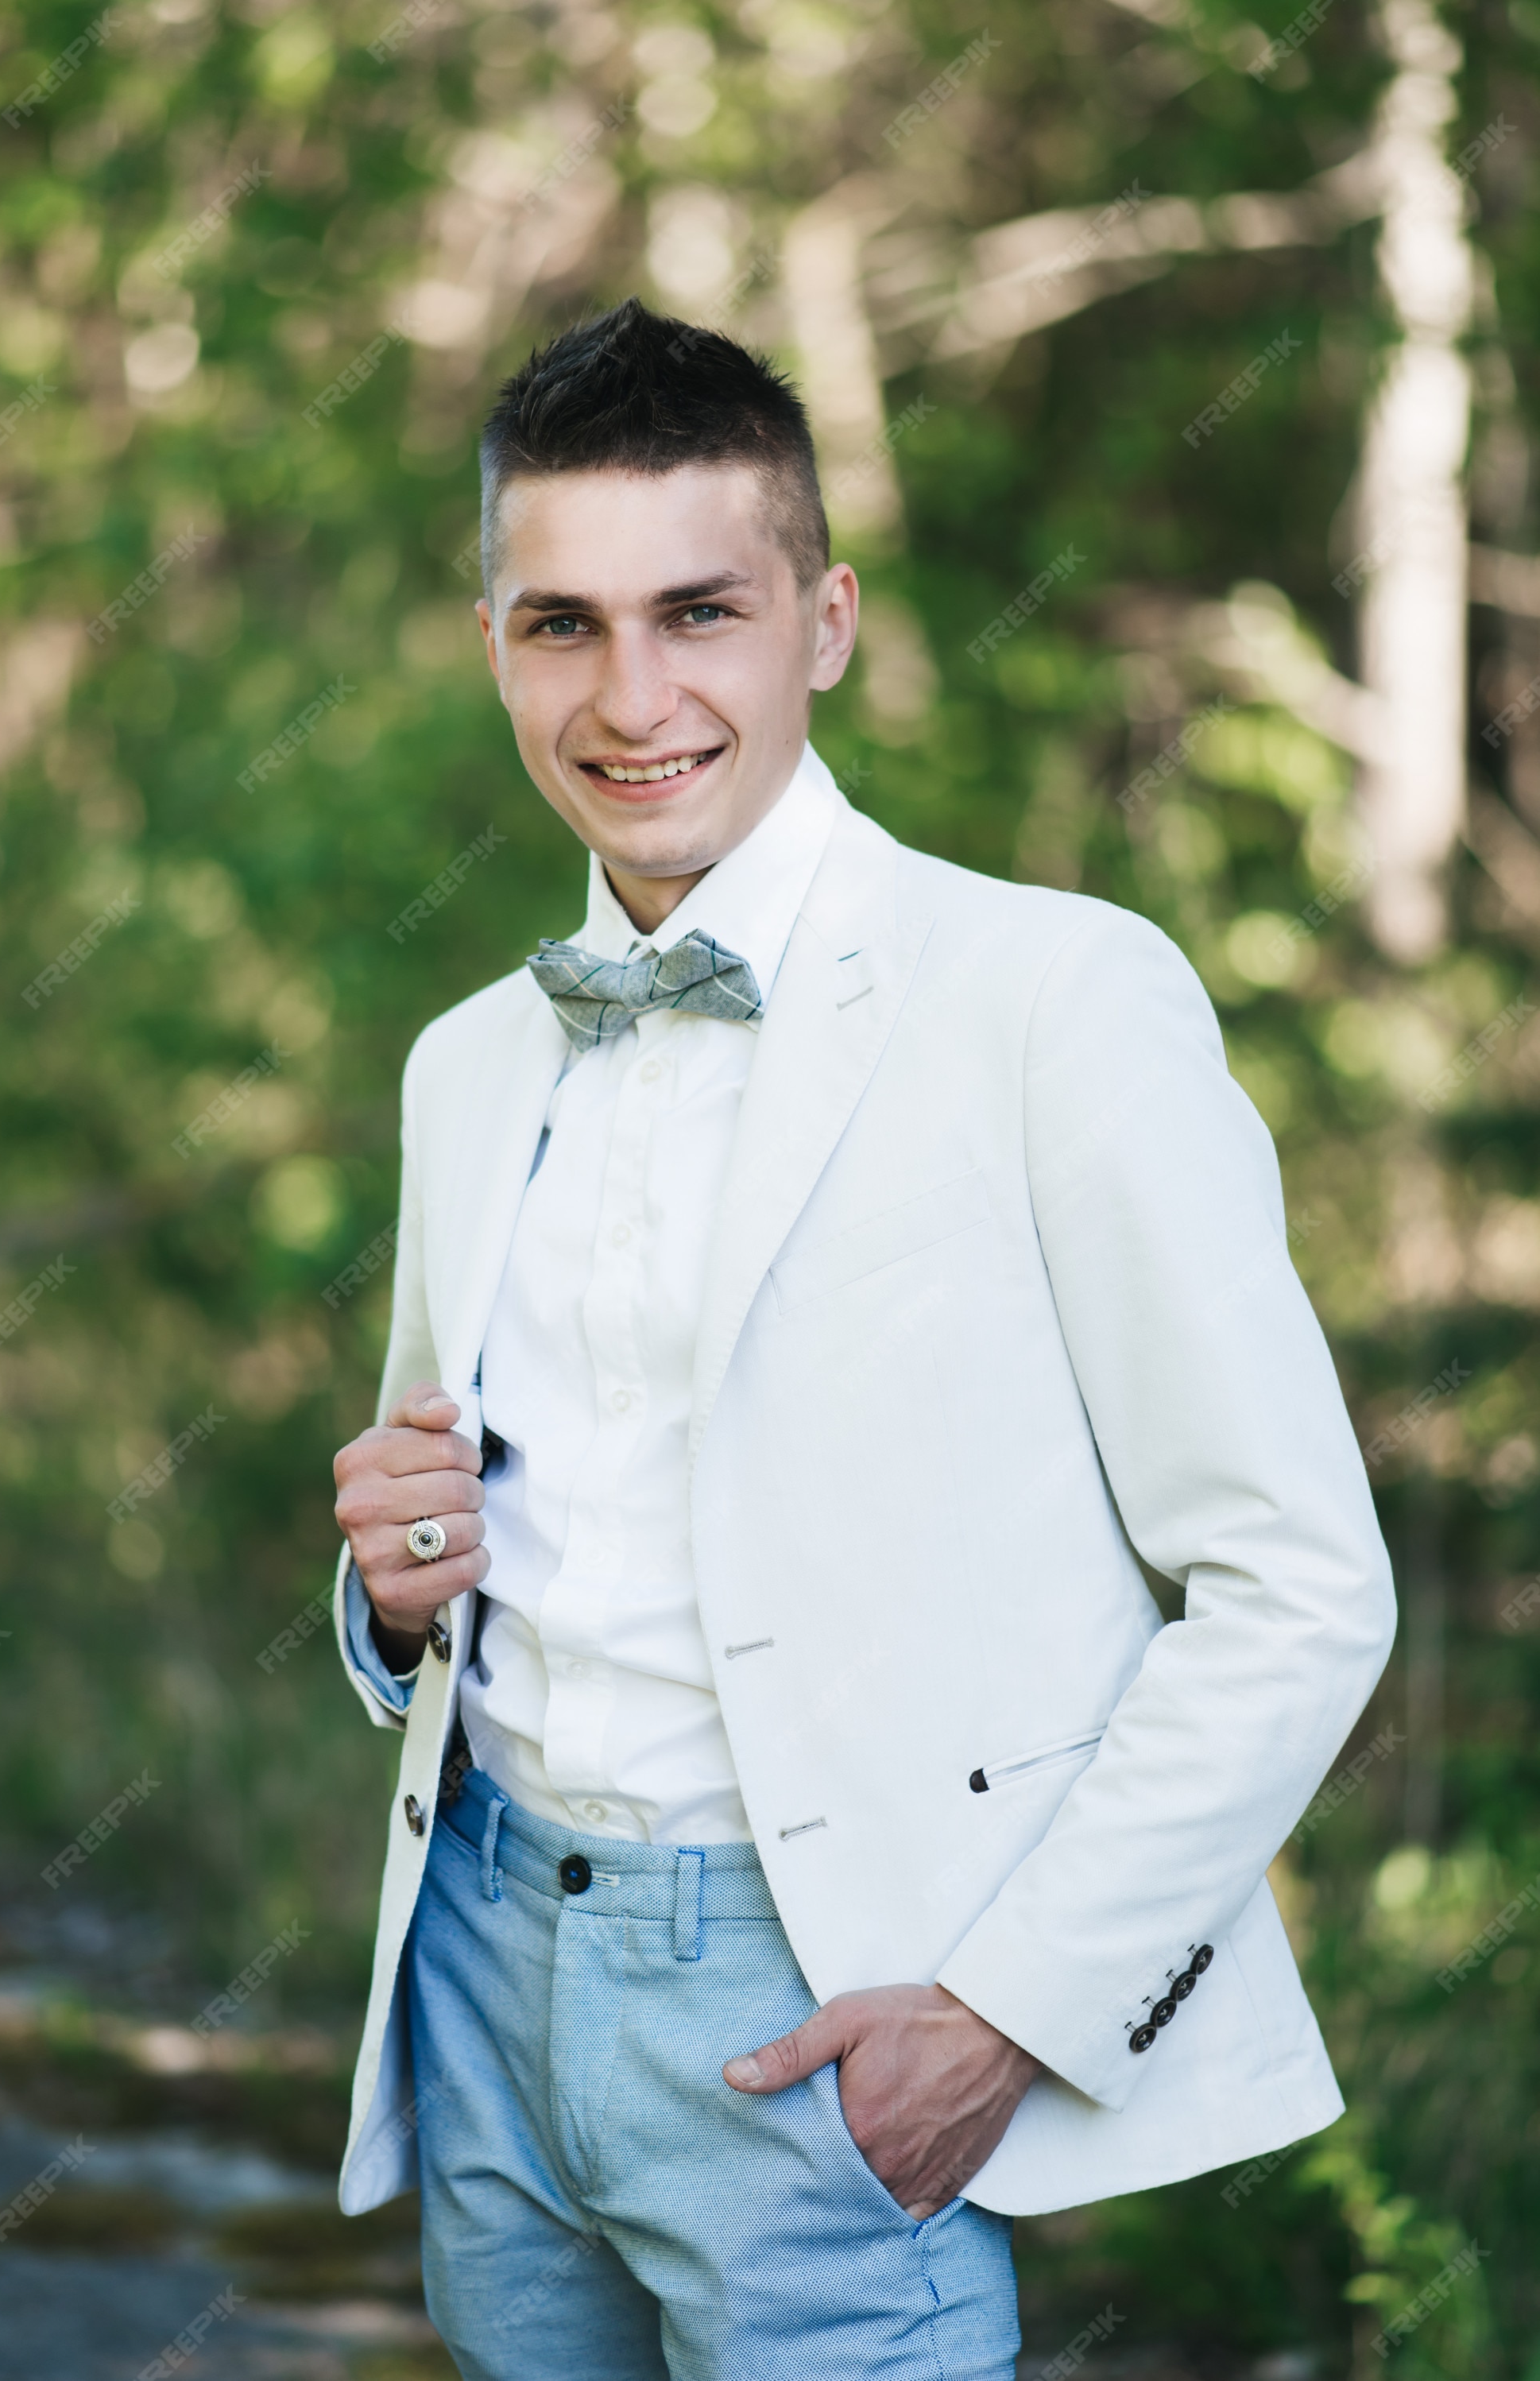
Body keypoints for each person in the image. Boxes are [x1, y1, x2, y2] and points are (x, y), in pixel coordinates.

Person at [328, 296, 1395, 2381]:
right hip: (479, 1971)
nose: (633, 696)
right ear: (493, 643)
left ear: (823, 619)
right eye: (562, 623)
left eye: (699, 611)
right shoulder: (467, 1061)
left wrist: (1003, 2015)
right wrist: (385, 1591)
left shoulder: (1055, 1002)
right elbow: (451, 1529)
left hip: (819, 2019)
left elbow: (1298, 1583)